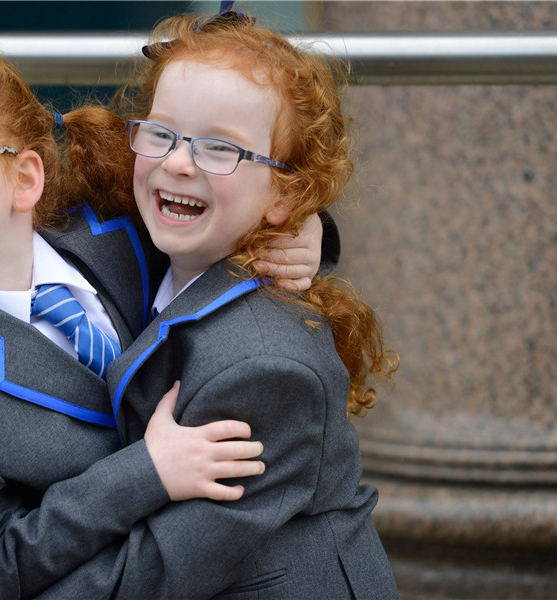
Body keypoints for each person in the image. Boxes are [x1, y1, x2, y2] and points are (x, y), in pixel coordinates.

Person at [0, 38, 332, 600]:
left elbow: (218, 210)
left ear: (24, 179)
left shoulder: (119, 233)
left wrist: (306, 230)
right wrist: (146, 472)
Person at [37, 11, 400, 599]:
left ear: (286, 195)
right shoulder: (158, 243)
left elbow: (158, 573)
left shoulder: (264, 368)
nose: (179, 162)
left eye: (221, 148)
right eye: (161, 134)